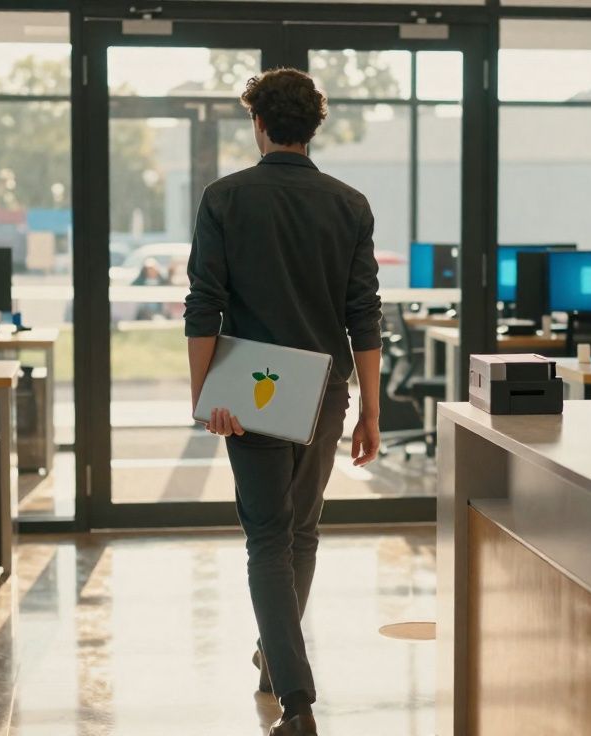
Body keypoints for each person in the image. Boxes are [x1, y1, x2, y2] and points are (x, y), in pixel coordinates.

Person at [184, 68, 382, 736]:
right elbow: (365, 318)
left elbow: (203, 307)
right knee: (300, 531)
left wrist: (205, 395)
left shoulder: (225, 198)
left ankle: (296, 703)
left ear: (259, 124)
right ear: (312, 126)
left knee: (268, 537)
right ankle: (275, 659)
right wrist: (372, 412)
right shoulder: (350, 204)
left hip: (252, 395)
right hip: (326, 393)